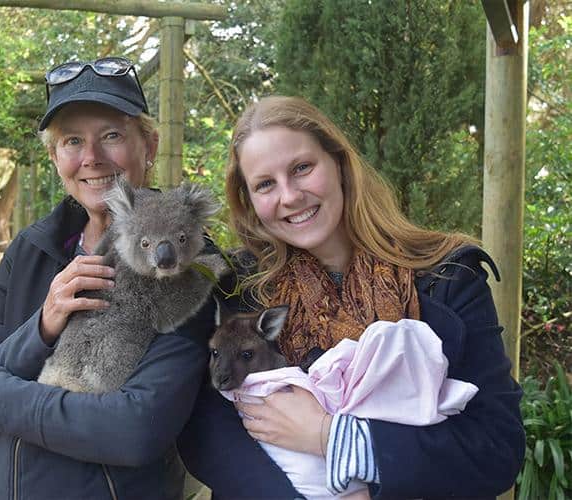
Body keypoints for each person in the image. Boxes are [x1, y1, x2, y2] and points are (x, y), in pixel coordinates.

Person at [177, 95, 525, 499]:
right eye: (265, 184)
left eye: (302, 168)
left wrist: (334, 437)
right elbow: (207, 433)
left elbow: (496, 449)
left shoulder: (446, 276)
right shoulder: (237, 290)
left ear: (340, 164)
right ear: (251, 202)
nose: (289, 196)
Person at [0, 56, 216, 499]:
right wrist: (43, 326)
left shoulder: (184, 263)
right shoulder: (31, 249)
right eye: (72, 141)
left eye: (111, 135)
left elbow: (133, 430)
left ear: (149, 146)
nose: (91, 158)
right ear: (54, 158)